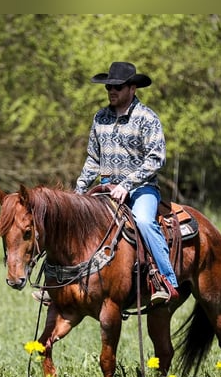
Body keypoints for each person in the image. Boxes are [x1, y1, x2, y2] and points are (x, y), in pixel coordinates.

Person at [34, 61, 179, 305]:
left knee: (143, 221)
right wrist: (78, 191)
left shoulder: (147, 118)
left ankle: (165, 281)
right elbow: (93, 158)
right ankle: (57, 285)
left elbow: (156, 158)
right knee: (68, 221)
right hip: (106, 189)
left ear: (133, 88)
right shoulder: (100, 117)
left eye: (118, 87)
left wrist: (127, 184)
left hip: (141, 189)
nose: (112, 91)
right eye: (109, 87)